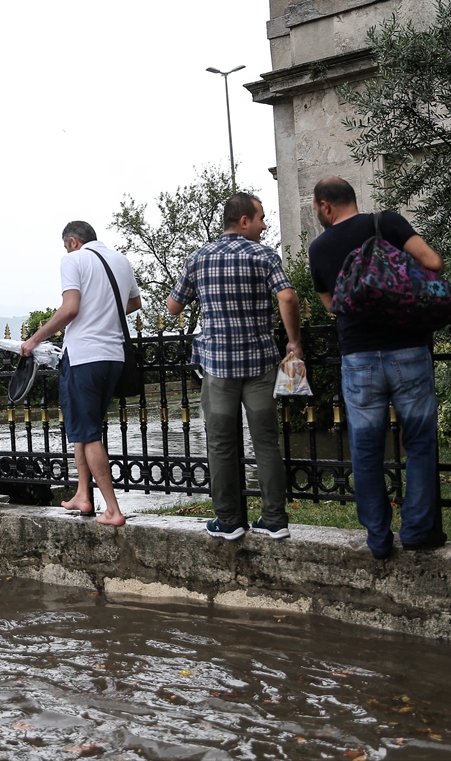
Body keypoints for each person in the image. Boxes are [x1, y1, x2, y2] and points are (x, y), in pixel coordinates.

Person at [307, 176, 448, 559]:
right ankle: (416, 530)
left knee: (366, 450)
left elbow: (332, 306)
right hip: (408, 350)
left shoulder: (319, 248)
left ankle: (379, 539)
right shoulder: (388, 223)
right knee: (419, 443)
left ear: (325, 206)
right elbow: (433, 262)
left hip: (359, 359)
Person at [167, 192, 302, 541]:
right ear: (244, 222)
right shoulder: (264, 256)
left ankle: (228, 520)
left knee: (221, 444)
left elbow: (173, 307)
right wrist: (293, 341)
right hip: (260, 363)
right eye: (261, 218)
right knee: (266, 443)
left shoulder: (199, 258)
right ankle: (274, 519)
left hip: (217, 366)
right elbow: (287, 296)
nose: (264, 225)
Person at [21, 221, 141, 527]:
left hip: (84, 357)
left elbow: (70, 308)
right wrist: (103, 312)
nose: (66, 251)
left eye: (66, 246)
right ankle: (82, 495)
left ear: (73, 242)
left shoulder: (73, 260)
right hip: (114, 357)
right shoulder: (121, 261)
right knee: (83, 428)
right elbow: (134, 303)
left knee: (88, 435)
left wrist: (34, 340)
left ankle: (112, 509)